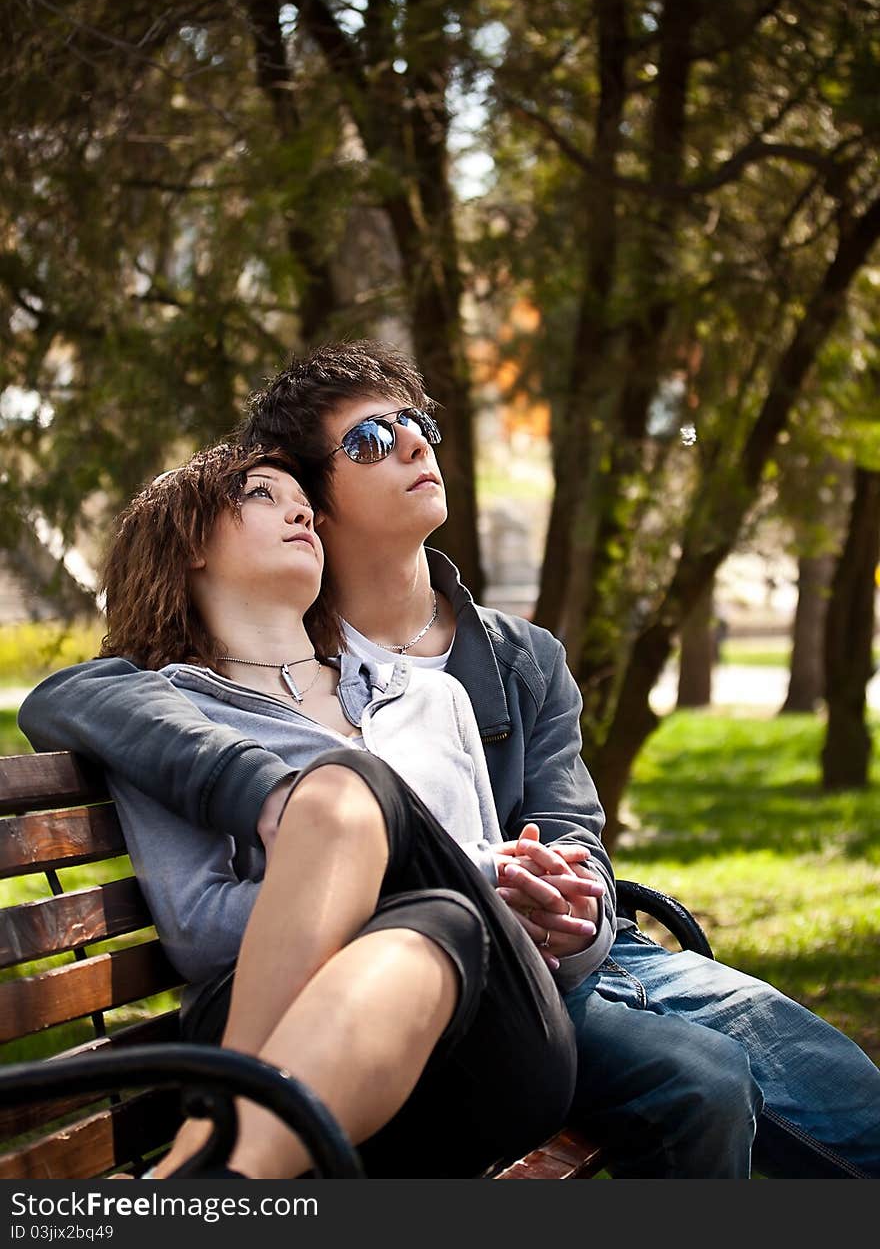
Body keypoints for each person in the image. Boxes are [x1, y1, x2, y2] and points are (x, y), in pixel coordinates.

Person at [20, 341, 880, 1178]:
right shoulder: (197, 691)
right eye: (368, 439)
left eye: (418, 422)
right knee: (698, 1082)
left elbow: (571, 835)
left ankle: (215, 1162)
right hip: (432, 981)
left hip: (549, 962)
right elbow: (71, 697)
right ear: (318, 496)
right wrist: (278, 795)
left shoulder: (486, 670)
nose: (414, 444)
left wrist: (576, 900)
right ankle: (221, 1157)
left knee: (852, 1107)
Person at [83, 442, 578, 1180]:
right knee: (432, 912)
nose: (300, 511)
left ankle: (196, 1153)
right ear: (187, 544)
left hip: (481, 1046)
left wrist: (531, 900)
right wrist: (440, 880)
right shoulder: (167, 718)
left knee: (428, 888)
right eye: (259, 494)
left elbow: (491, 903)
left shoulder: (429, 695)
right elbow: (195, 924)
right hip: (279, 1033)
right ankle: (204, 1191)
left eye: (304, 502)